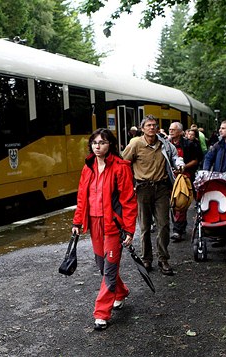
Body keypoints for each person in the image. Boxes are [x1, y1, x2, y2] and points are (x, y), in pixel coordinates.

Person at [72, 128, 138, 331]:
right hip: (94, 223)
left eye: (102, 142)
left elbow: (128, 200)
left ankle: (101, 313)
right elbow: (82, 197)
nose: (98, 146)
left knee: (109, 268)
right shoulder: (88, 167)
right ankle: (121, 291)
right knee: (102, 266)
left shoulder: (121, 167)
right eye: (94, 142)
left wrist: (129, 230)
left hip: (113, 225)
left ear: (111, 145)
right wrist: (77, 222)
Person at [122, 116, 184, 276]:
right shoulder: (135, 143)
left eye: (154, 125)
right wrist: (129, 186)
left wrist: (179, 164)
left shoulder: (163, 143)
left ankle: (163, 259)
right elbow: (123, 164)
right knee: (145, 227)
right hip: (143, 188)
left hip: (162, 188)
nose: (152, 128)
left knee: (164, 225)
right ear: (142, 128)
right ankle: (146, 259)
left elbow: (175, 155)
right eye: (148, 125)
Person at [168, 121, 203, 242]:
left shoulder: (189, 144)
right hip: (170, 178)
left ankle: (177, 230)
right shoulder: (166, 144)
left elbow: (196, 160)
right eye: (170, 129)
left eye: (173, 129)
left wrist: (184, 168)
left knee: (180, 202)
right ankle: (180, 227)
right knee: (173, 203)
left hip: (185, 177)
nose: (171, 131)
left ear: (180, 132)